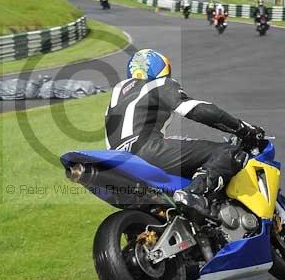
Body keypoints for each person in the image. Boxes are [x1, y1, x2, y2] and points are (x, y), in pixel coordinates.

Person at [105, 49, 265, 220]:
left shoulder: (116, 96)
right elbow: (196, 110)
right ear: (161, 69)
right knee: (228, 152)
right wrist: (241, 128)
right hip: (149, 150)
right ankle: (193, 194)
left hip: (117, 162)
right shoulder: (159, 84)